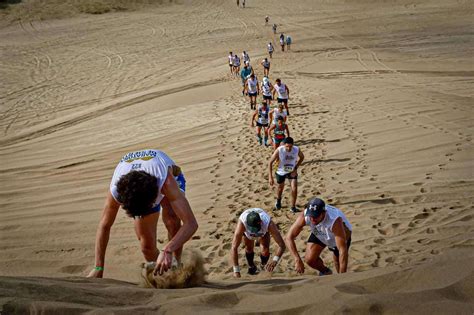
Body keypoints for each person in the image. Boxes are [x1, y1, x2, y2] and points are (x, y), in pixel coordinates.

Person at [87, 149, 198, 278]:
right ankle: (163, 272)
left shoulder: (166, 182)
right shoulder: (116, 191)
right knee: (147, 247)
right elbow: (104, 226)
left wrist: (168, 249)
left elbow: (191, 223)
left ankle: (176, 263)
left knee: (172, 219)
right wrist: (98, 267)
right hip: (140, 187)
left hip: (169, 175)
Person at [285, 197, 352, 275]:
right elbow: (289, 237)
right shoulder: (306, 215)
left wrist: (342, 276)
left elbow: (342, 249)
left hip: (338, 234)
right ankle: (326, 272)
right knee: (309, 259)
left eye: (315, 216)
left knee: (338, 262)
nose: (312, 219)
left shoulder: (334, 220)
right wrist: (297, 259)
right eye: (311, 216)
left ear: (323, 213)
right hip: (319, 231)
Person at [231, 208, 286, 277]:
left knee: (265, 251)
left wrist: (275, 260)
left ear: (260, 222)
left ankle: (263, 265)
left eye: (256, 229)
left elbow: (282, 245)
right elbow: (234, 247)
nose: (255, 232)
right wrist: (236, 271)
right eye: (252, 229)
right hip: (248, 233)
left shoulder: (268, 223)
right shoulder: (242, 223)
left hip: (263, 232)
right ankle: (251, 266)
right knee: (249, 249)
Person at [268, 137, 304, 213]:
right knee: (280, 188)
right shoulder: (279, 150)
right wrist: (270, 177)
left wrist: (296, 167)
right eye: (287, 146)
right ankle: (278, 201)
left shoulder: (296, 149)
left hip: (291, 171)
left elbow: (302, 157)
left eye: (290, 146)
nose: (288, 148)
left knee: (294, 188)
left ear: (293, 145)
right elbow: (270, 162)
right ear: (284, 145)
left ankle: (293, 207)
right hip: (280, 171)